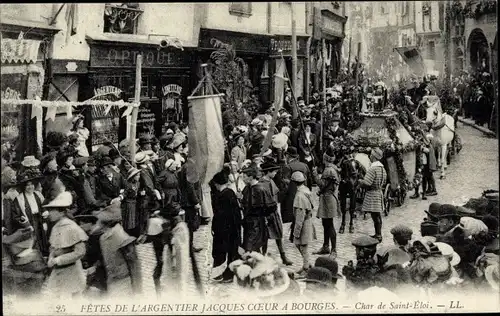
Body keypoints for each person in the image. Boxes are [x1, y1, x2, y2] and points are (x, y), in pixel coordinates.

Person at [44, 191, 88, 298]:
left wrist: (58, 260)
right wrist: (51, 257)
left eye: (51, 210)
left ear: (61, 212)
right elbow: (53, 247)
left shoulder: (72, 227)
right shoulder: (55, 227)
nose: (49, 213)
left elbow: (80, 252)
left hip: (72, 272)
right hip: (58, 273)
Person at [94, 202, 142, 296]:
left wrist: (137, 289)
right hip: (111, 279)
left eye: (99, 221)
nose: (97, 223)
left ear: (106, 222)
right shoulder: (103, 237)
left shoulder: (122, 237)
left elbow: (134, 264)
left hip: (123, 280)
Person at [211, 166, 242, 282]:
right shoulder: (230, 193)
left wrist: (216, 228)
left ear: (216, 184)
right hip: (233, 228)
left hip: (225, 230)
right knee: (231, 251)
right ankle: (228, 273)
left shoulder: (222, 196)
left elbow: (220, 215)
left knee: (224, 251)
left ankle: (227, 274)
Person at [259, 161, 293, 266]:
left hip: (274, 212)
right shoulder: (261, 184)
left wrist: (285, 189)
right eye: (274, 172)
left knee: (278, 234)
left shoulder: (271, 181)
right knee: (264, 237)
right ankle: (263, 257)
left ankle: (283, 256)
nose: (275, 174)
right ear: (268, 172)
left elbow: (277, 196)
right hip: (265, 213)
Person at [13, 169, 49, 257]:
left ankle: (45, 255)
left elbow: (44, 206)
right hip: (29, 221)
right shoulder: (19, 199)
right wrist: (25, 223)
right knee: (34, 239)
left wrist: (45, 217)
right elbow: (16, 215)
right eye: (27, 185)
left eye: (32, 184)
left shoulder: (38, 195)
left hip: (39, 218)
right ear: (23, 187)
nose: (30, 187)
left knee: (43, 237)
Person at [312, 148, 340, 258]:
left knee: (329, 224)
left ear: (325, 158)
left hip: (328, 200)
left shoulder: (329, 170)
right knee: (325, 223)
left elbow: (322, 184)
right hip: (328, 198)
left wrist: (315, 175)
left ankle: (333, 250)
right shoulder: (333, 168)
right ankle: (325, 246)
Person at [359, 148, 387, 242]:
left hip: (373, 194)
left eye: (371, 155)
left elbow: (367, 182)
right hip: (379, 192)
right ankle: (378, 234)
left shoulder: (373, 168)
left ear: (374, 156)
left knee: (375, 216)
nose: (370, 156)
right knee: (377, 215)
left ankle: (378, 235)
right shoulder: (382, 168)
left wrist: (360, 181)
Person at [291, 171, 316, 275]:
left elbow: (300, 216)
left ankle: (306, 268)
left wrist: (297, 231)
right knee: (299, 245)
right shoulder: (306, 190)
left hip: (303, 223)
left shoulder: (300, 196)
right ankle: (307, 264)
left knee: (303, 247)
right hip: (307, 221)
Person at [240, 163, 268, 253]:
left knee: (251, 246)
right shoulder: (247, 188)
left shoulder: (260, 189)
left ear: (251, 177)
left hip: (256, 223)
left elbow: (268, 207)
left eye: (244, 177)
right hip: (248, 222)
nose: (243, 179)